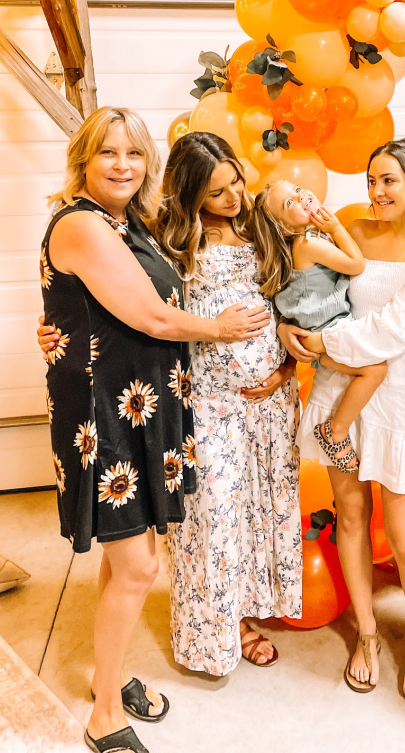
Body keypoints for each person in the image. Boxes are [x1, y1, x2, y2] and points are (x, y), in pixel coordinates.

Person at [40, 109, 270, 753]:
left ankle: (109, 675)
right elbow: (153, 317)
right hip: (104, 416)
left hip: (141, 406)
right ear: (83, 160)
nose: (123, 165)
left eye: (134, 153)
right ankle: (104, 714)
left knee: (125, 561)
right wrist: (220, 329)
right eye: (107, 153)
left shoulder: (129, 220)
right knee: (138, 565)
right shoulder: (82, 223)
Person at [279, 138, 405, 705]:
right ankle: (365, 634)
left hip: (401, 400)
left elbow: (393, 330)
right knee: (352, 516)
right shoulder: (353, 231)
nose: (377, 192)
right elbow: (310, 288)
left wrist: (322, 347)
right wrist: (289, 328)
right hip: (341, 395)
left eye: (390, 181)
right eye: (372, 180)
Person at [157, 133, 301, 675]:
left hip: (269, 405)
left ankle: (248, 610)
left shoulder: (261, 223)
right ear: (190, 193)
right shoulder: (171, 241)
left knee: (257, 511)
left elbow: (296, 300)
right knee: (212, 517)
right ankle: (215, 633)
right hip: (208, 403)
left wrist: (285, 369)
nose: (234, 197)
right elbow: (135, 307)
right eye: (217, 192)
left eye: (236, 182)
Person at [251, 179, 387, 473]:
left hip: (323, 333)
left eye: (297, 190)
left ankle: (337, 428)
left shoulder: (304, 241)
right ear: (284, 228)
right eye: (289, 203)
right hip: (329, 331)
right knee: (376, 370)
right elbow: (356, 264)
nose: (300, 197)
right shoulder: (308, 244)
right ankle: (335, 431)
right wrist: (336, 227)